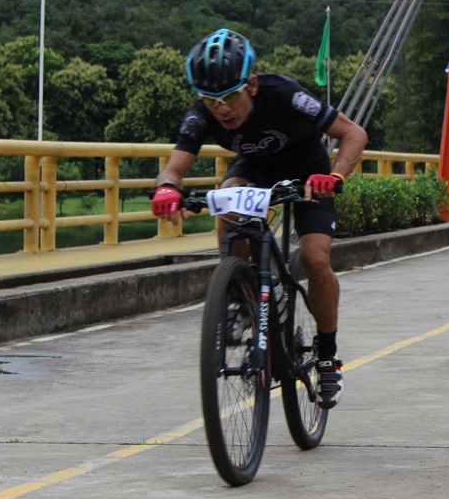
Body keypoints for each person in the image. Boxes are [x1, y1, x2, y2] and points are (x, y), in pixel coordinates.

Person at [151, 29, 367, 410]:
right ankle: (239, 293)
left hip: (307, 167)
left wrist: (335, 176)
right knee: (227, 198)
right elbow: (173, 168)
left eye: (229, 96)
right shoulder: (201, 114)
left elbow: (353, 133)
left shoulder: (284, 95)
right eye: (212, 100)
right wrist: (167, 189)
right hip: (255, 167)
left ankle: (327, 354)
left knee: (315, 258)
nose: (222, 109)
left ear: (251, 85)